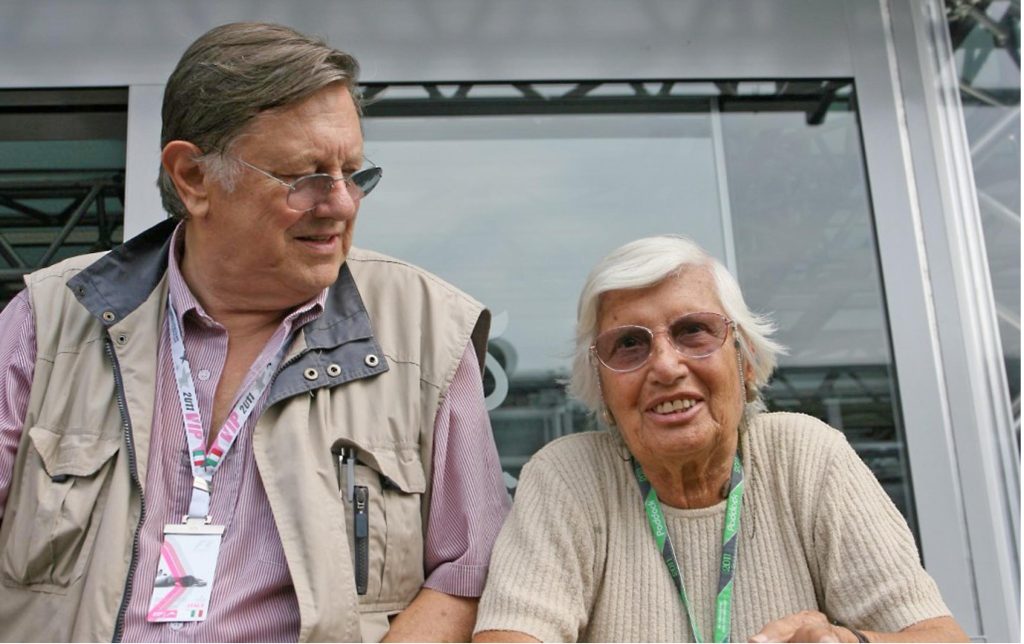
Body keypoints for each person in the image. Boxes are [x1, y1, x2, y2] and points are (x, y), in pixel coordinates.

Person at [0, 22, 510, 642]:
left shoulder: (427, 331)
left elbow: (470, 574)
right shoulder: (48, 320)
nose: (343, 204)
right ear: (192, 177)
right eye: (308, 177)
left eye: (354, 173)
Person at [473, 235, 968, 643]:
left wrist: (850, 643)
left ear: (746, 361)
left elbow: (937, 636)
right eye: (629, 344)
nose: (666, 366)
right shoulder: (567, 476)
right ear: (601, 387)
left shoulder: (807, 455)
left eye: (693, 331)